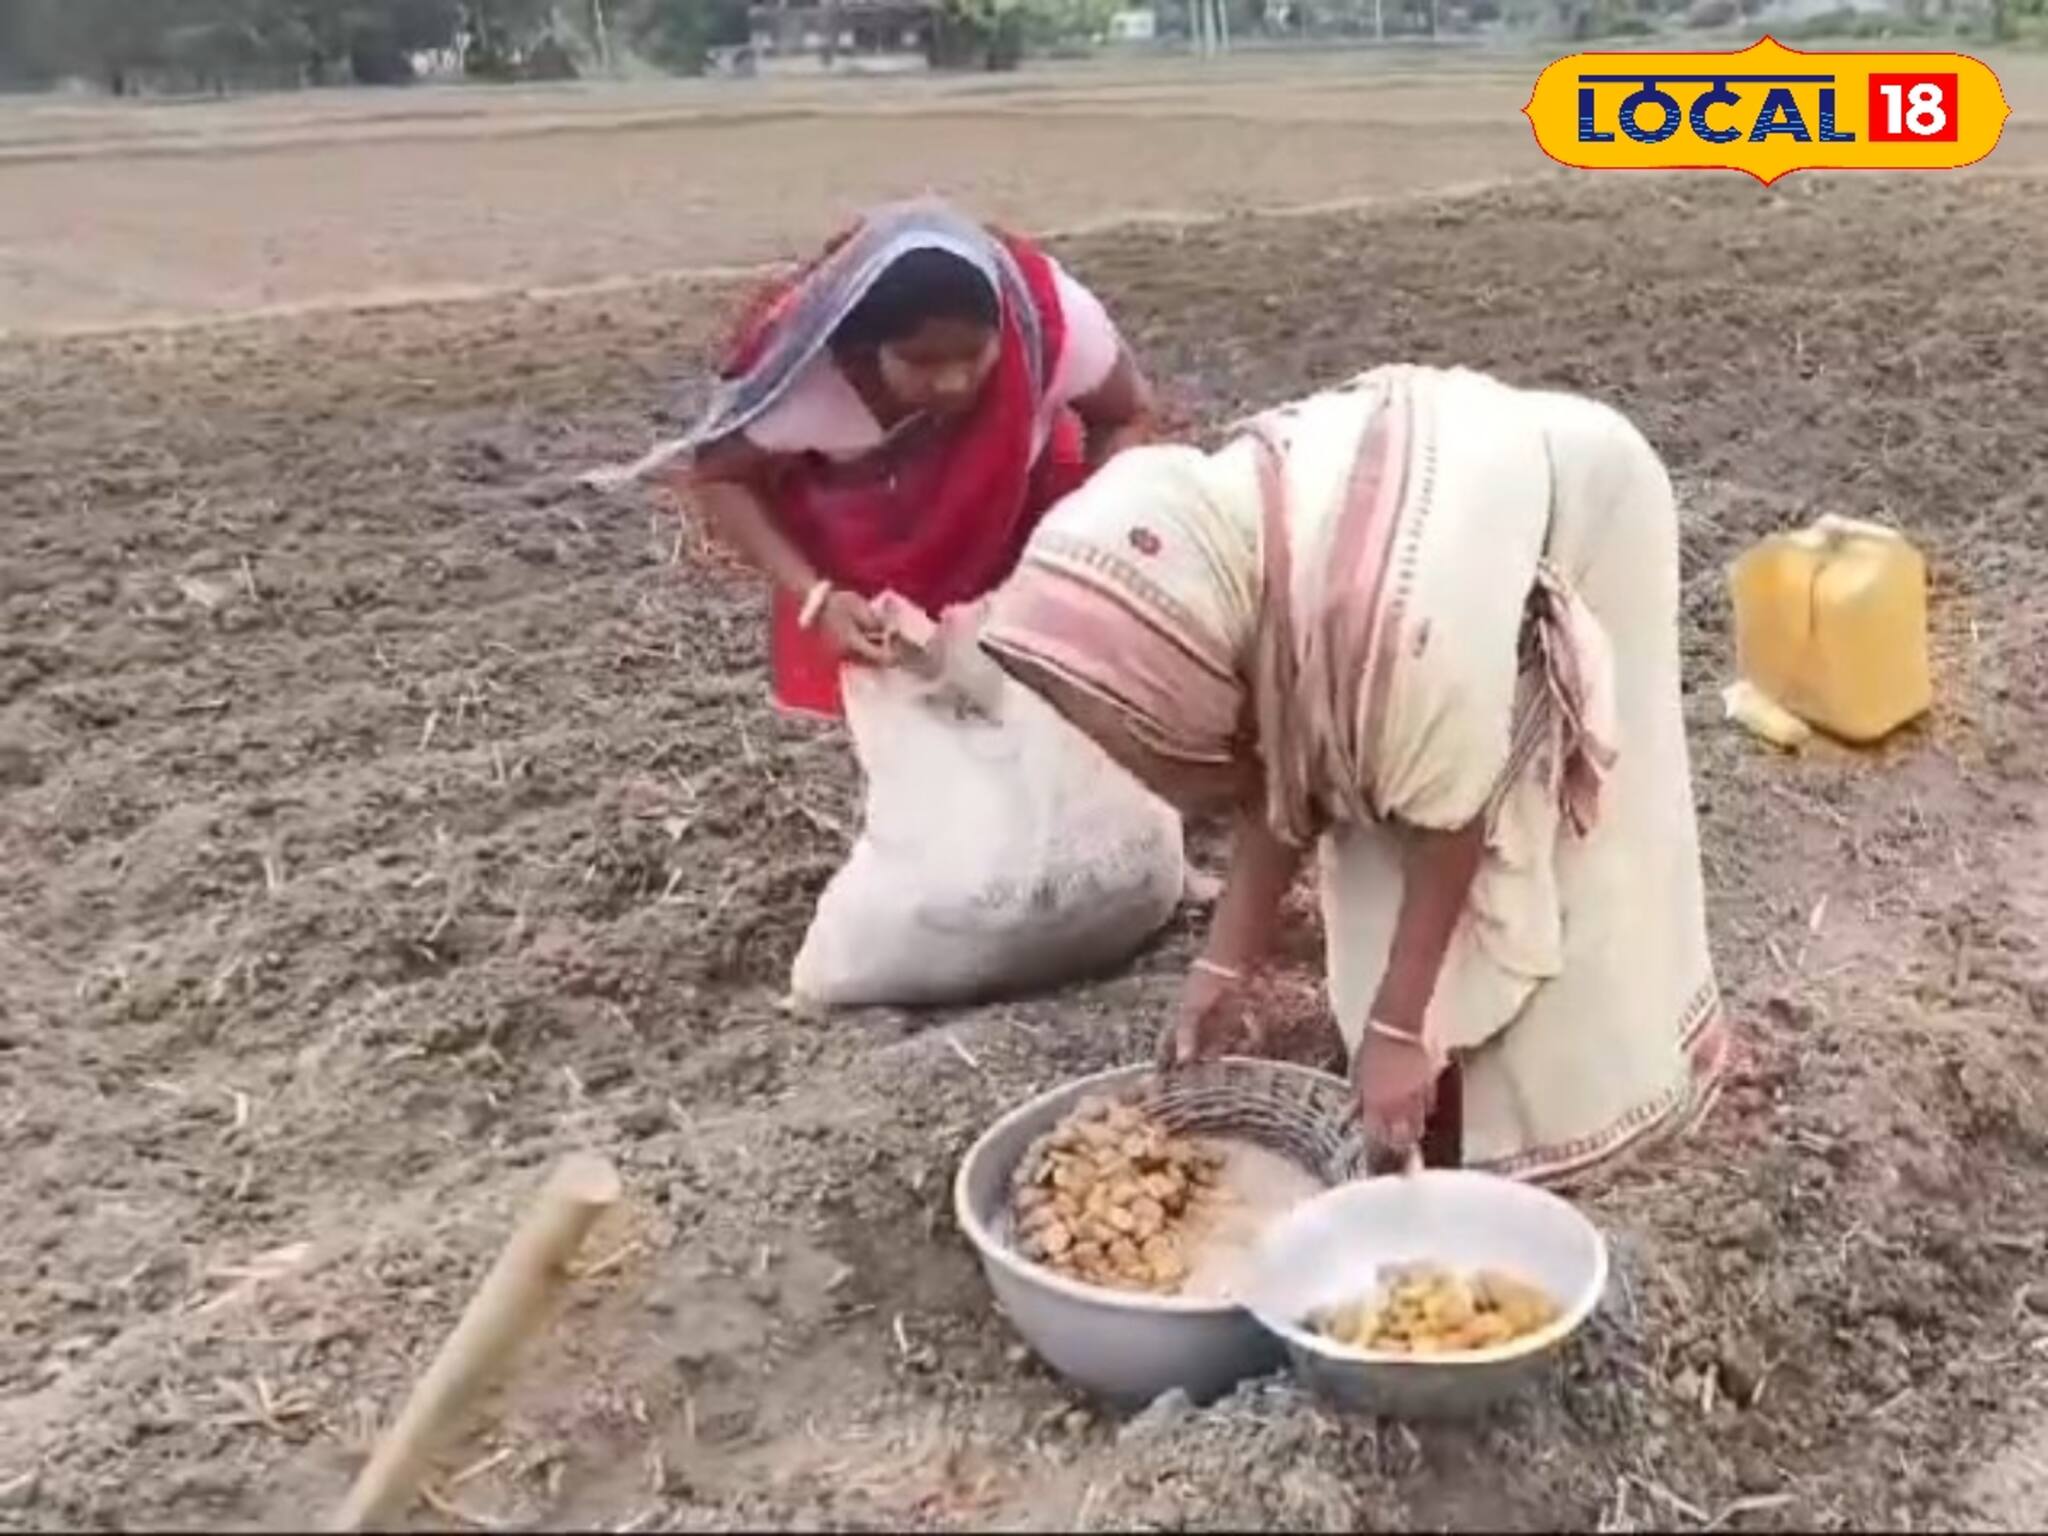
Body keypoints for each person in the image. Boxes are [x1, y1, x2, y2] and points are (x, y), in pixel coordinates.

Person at [979, 363, 1730, 1183]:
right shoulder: (1232, 563)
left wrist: (1401, 1028)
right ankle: (1425, 1075)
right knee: (1375, 851)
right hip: (1440, 571)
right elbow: (1280, 767)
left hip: (1586, 513)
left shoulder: (1395, 625)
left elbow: (1452, 818)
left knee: (1574, 855)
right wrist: (1223, 965)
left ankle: (1588, 1109)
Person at [669, 198, 1153, 719]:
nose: (953, 381)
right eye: (920, 362)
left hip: (1023, 526)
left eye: (974, 354)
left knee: (1041, 713)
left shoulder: (1047, 318)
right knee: (916, 712)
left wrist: (1087, 546)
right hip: (875, 560)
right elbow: (720, 474)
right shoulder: (808, 377)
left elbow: (1125, 413)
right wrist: (817, 597)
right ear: (865, 350)